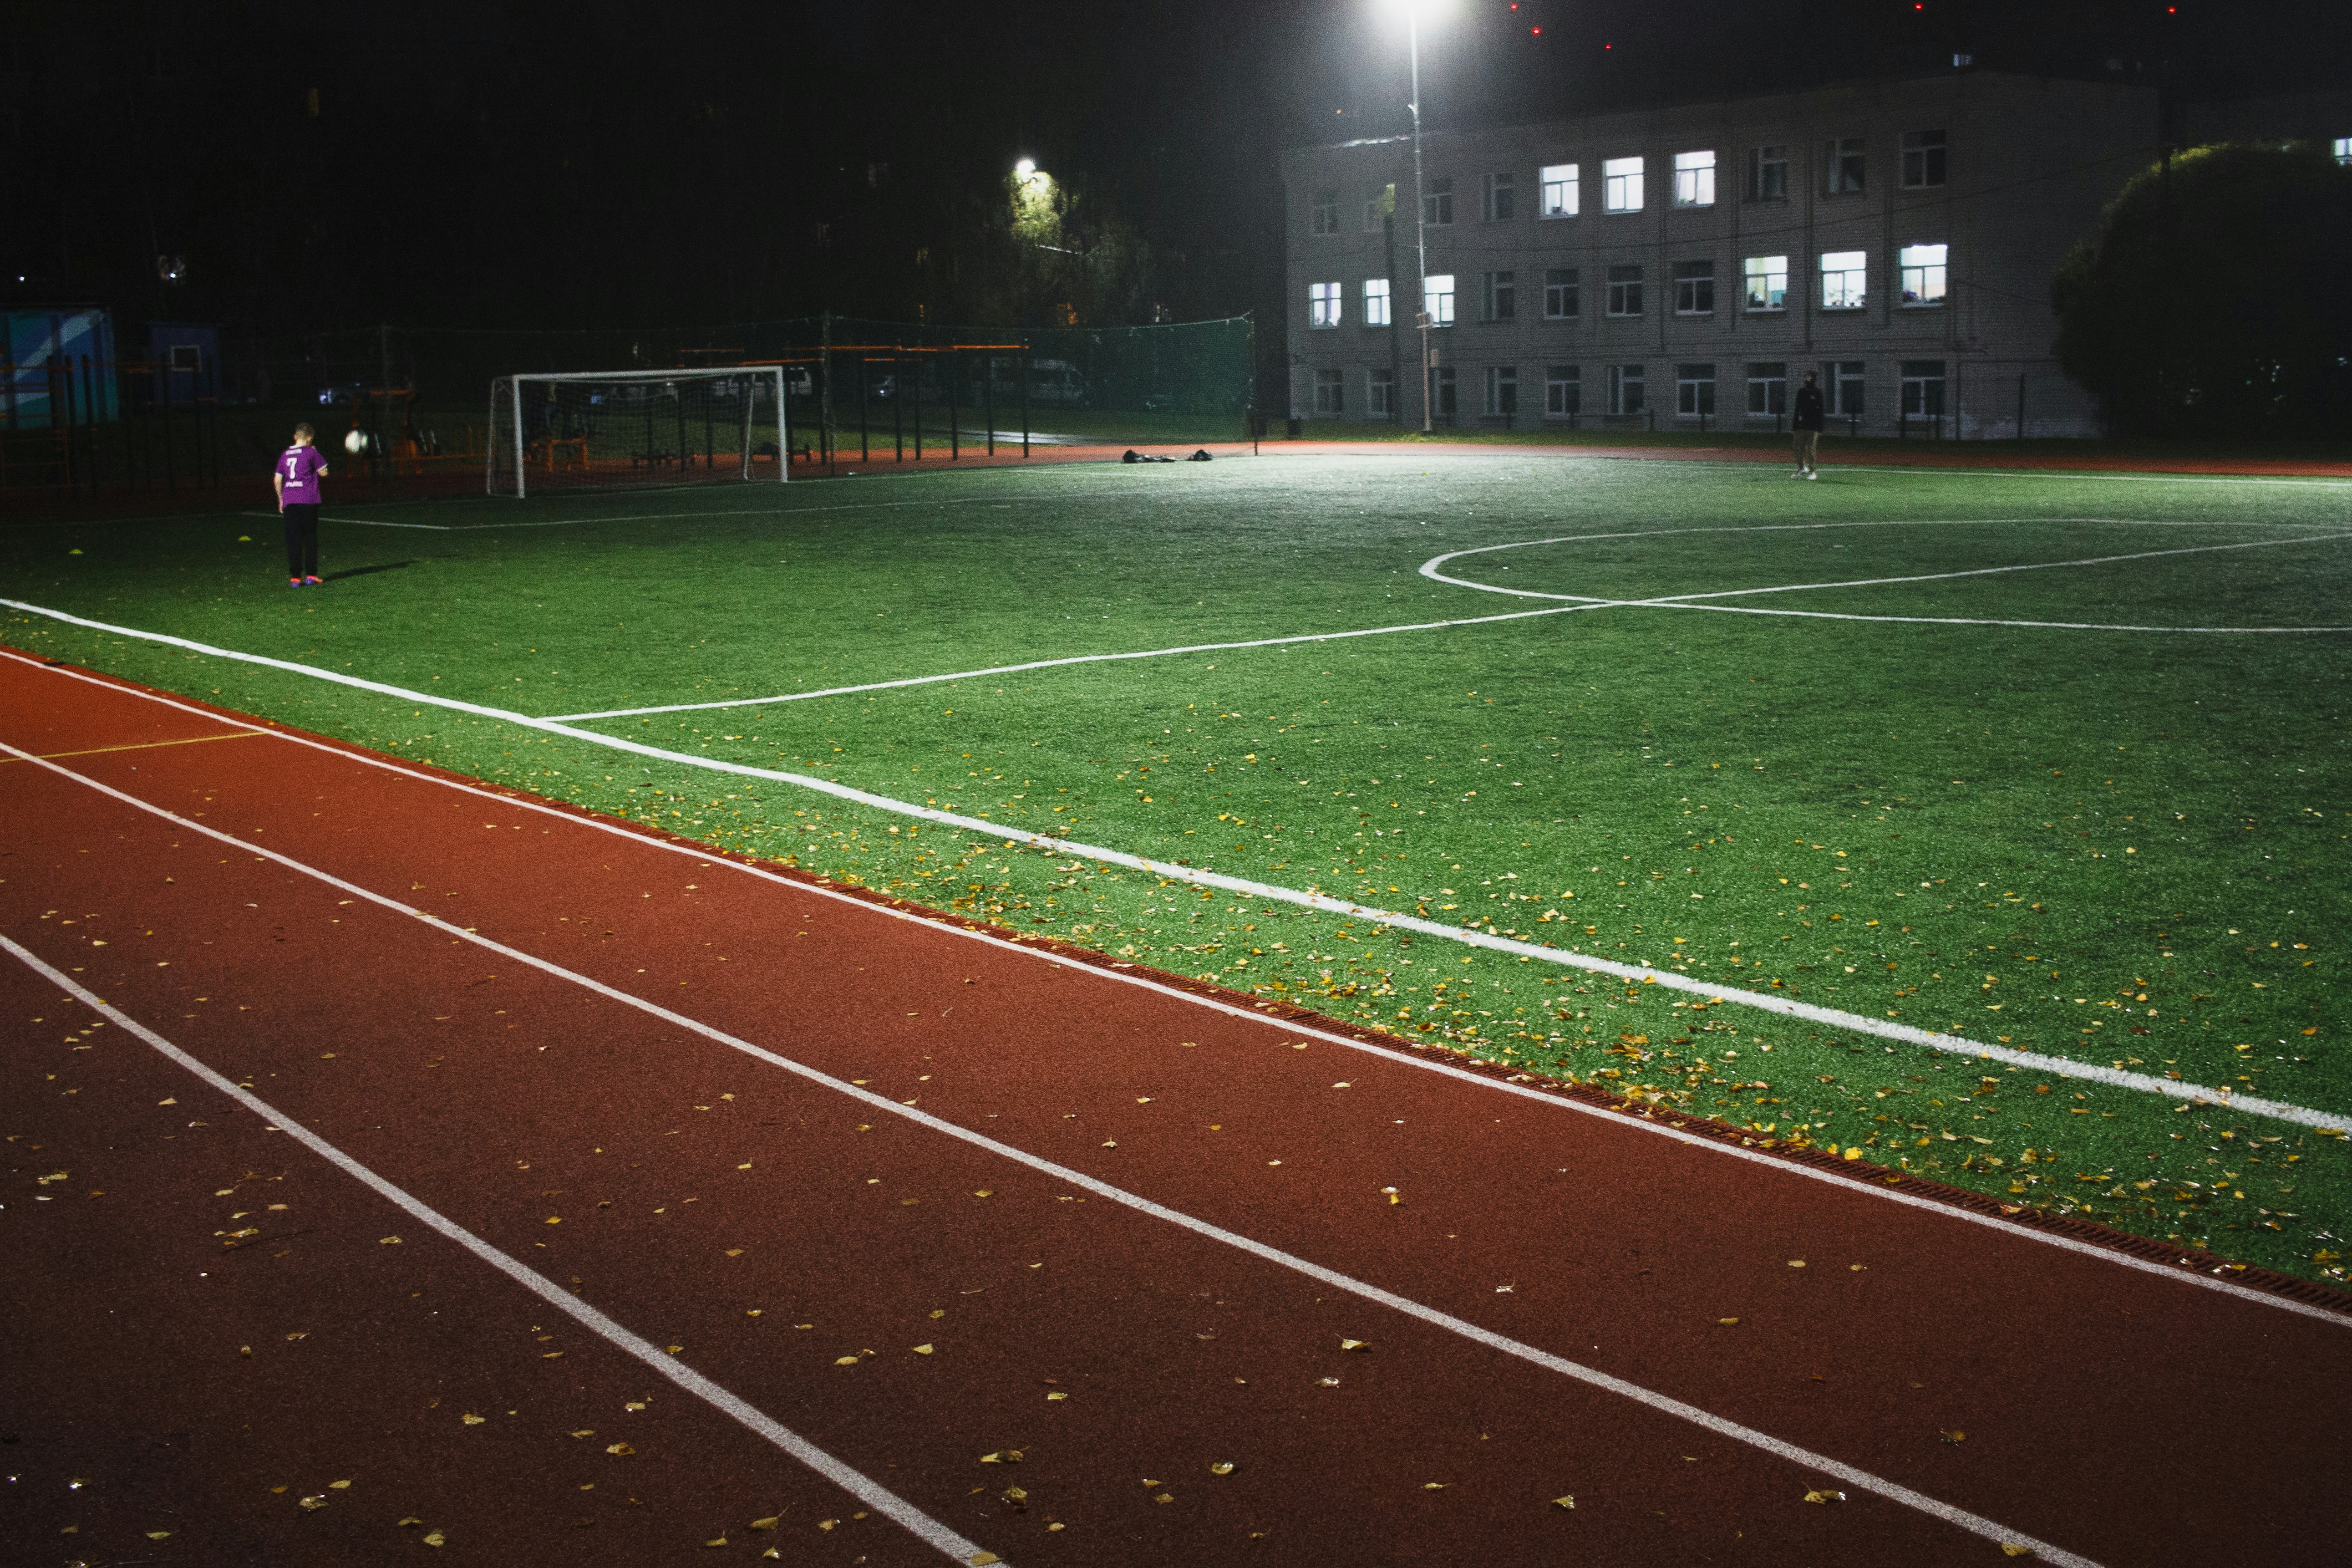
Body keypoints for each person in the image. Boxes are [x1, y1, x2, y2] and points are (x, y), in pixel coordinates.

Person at [273, 422, 329, 586]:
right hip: (308, 500)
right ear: (310, 438)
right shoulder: (311, 453)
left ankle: (295, 578)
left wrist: (281, 499)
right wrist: (317, 455)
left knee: (294, 539)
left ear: (295, 437)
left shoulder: (285, 454)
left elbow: (278, 479)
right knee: (310, 537)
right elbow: (324, 473)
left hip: (290, 501)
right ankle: (311, 576)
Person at [1790, 370, 1825, 480]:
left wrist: (1820, 427)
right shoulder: (1801, 392)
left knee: (1811, 449)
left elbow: (1821, 411)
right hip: (1801, 426)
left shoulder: (1817, 393)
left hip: (1813, 427)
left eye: (1809, 377)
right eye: (1806, 377)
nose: (1807, 379)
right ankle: (1801, 467)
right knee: (1797, 448)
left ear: (1813, 379)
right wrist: (1795, 424)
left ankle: (1812, 472)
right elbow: (1797, 409)